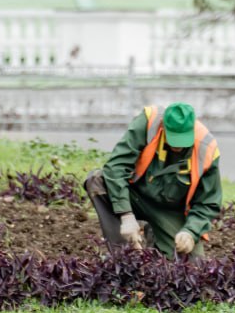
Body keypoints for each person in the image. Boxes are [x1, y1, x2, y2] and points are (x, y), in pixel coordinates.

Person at [84, 102, 221, 259]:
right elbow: (116, 167)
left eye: (183, 141)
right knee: (97, 181)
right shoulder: (149, 123)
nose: (177, 147)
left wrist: (190, 231)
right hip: (135, 196)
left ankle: (152, 235)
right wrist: (126, 215)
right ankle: (124, 256)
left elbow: (208, 203)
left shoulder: (207, 148)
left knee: (192, 265)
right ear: (163, 127)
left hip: (169, 211)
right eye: (173, 139)